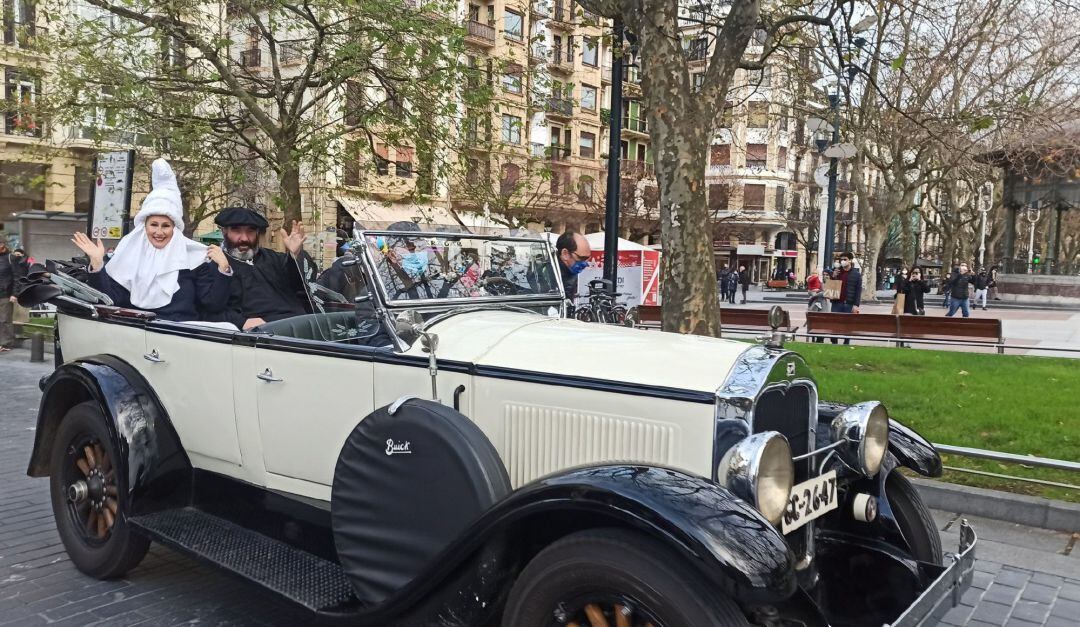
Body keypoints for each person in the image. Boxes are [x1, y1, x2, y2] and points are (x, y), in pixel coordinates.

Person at [71, 159, 233, 323]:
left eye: (166, 226)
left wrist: (223, 268)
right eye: (154, 225)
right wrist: (98, 264)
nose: (159, 232)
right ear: (144, 227)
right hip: (138, 334)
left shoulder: (195, 260)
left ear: (174, 229)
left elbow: (213, 305)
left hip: (183, 335)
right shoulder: (129, 256)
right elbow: (109, 300)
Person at [213, 206, 318, 330]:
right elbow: (209, 307)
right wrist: (240, 322)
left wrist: (295, 255)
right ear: (225, 232)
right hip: (260, 334)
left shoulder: (272, 257)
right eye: (237, 231)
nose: (245, 238)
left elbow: (302, 284)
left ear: (257, 234)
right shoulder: (216, 262)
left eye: (250, 232)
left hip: (299, 325)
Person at [826, 252, 861, 345]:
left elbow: (858, 291)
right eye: (841, 260)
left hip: (848, 303)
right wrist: (833, 275)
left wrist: (856, 305)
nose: (843, 261)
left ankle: (846, 342)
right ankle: (834, 341)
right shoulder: (837, 271)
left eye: (845, 259)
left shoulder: (856, 274)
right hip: (837, 302)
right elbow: (828, 282)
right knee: (835, 323)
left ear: (850, 260)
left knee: (847, 324)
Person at [555, 231, 591, 301]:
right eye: (581, 258)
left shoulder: (571, 273)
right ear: (565, 254)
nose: (585, 264)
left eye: (587, 259)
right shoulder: (548, 277)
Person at [0, 239, 18, 352]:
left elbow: (17, 277)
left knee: (5, 320)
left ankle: (6, 343)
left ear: (2, 245)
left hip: (6, 294)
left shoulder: (11, 258)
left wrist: (15, 294)